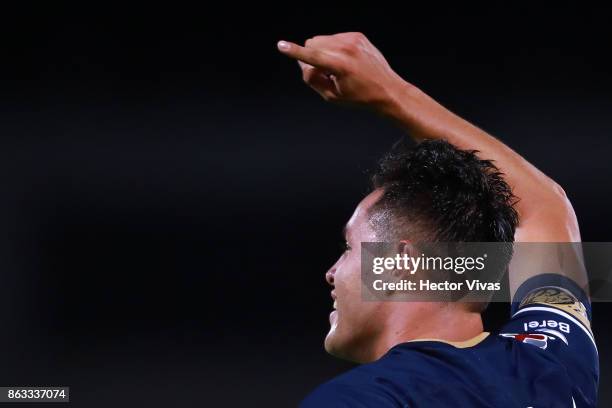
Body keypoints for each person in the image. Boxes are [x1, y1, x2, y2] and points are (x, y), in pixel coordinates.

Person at [277, 33, 598, 407]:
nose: (331, 272)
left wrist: (387, 93)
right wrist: (391, 91)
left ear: (402, 261)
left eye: (349, 247)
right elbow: (544, 205)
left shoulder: (364, 398)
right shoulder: (551, 360)